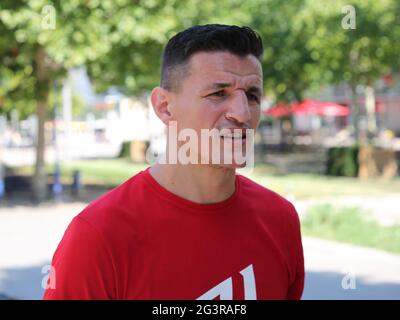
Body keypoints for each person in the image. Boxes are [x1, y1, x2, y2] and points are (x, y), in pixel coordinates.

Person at [43, 24, 304, 300]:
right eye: (218, 94)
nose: (242, 113)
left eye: (252, 95)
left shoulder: (280, 219)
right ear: (164, 106)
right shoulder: (98, 237)